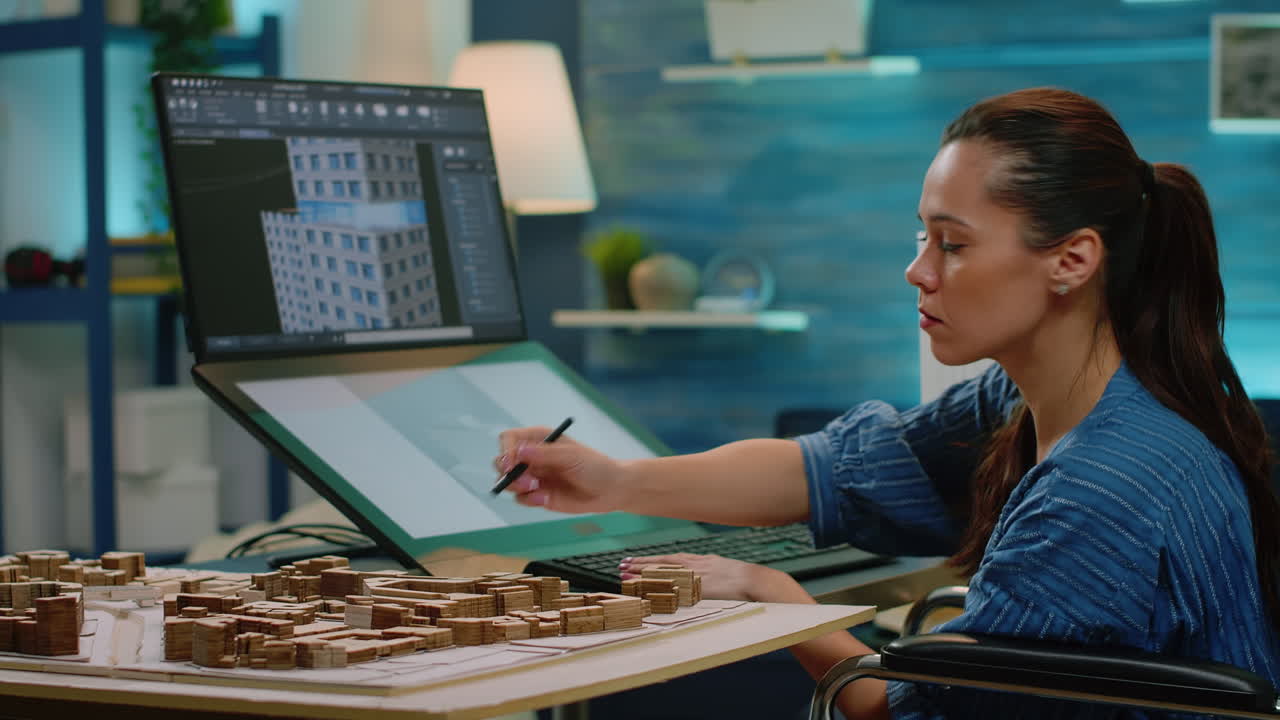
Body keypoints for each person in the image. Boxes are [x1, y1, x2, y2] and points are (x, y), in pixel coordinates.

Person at [493, 87, 1280, 719]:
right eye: (921, 238)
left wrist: (773, 596)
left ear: (1071, 260)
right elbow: (830, 470)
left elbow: (893, 711)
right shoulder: (1045, 396)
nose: (919, 271)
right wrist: (616, 481)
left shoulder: (1098, 492)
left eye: (953, 244)